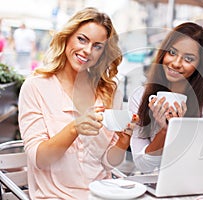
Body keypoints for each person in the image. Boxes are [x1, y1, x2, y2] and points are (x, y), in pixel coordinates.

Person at [18, 7, 136, 199]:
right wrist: (74, 128)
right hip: (55, 196)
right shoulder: (36, 86)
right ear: (67, 36)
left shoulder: (108, 90)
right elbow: (40, 158)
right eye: (82, 39)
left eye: (98, 46)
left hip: (101, 193)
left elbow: (107, 163)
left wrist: (123, 141)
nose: (88, 51)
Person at [128, 22, 203, 173]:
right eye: (172, 53)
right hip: (156, 183)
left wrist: (181, 129)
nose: (175, 63)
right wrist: (165, 131)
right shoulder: (141, 97)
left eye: (188, 59)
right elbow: (144, 166)